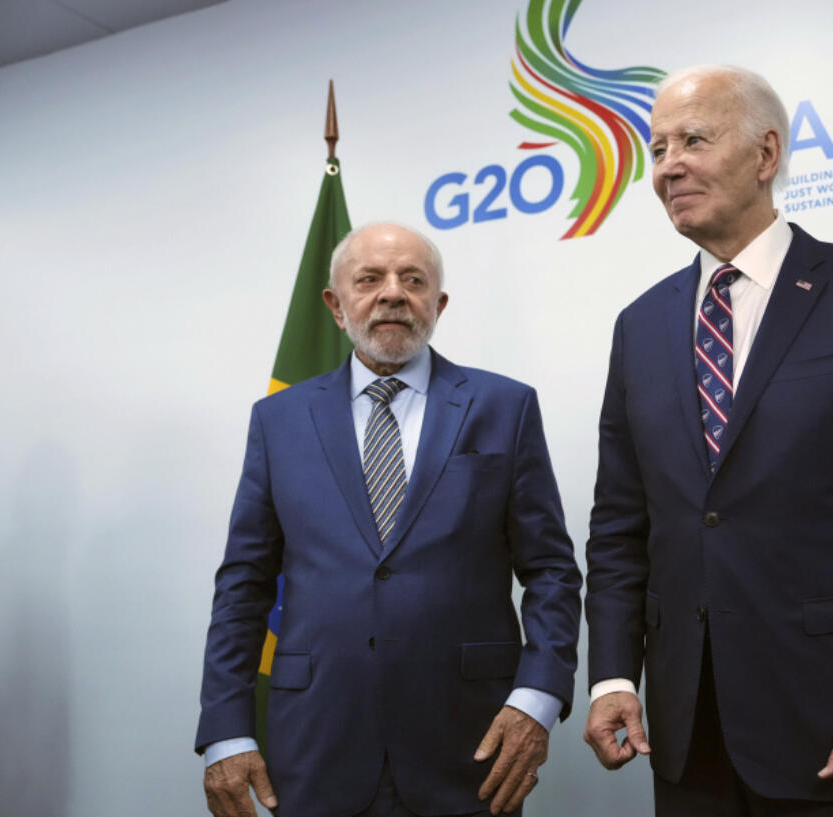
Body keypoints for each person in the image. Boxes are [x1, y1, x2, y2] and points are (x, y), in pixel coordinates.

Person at [582, 65, 833, 816]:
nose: (668, 165)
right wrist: (611, 676)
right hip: (685, 740)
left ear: (766, 155)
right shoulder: (639, 326)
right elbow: (619, 527)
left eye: (693, 139)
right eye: (658, 147)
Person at [195, 223, 582, 817]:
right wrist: (226, 729)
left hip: (470, 748)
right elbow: (243, 585)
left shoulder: (504, 406)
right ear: (335, 305)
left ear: (439, 304)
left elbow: (552, 572)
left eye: (414, 280)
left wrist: (537, 700)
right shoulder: (278, 420)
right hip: (315, 746)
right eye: (370, 279)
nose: (393, 293)